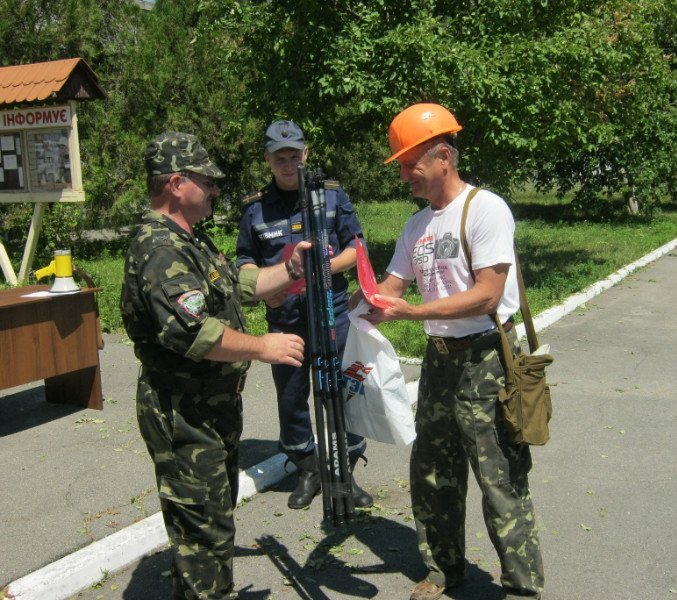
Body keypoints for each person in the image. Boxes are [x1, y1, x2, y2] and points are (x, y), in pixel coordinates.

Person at [352, 103, 545, 600]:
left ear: (443, 156)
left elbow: (486, 293)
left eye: (409, 163)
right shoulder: (417, 226)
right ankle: (442, 572)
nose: (403, 174)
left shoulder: (485, 208)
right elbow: (392, 287)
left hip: (486, 358)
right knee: (433, 473)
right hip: (440, 361)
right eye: (399, 164)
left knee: (500, 477)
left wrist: (412, 314)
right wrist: (353, 301)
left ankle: (523, 590)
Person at [120, 131, 311, 600]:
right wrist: (263, 346)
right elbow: (193, 333)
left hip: (208, 409)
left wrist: (289, 271)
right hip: (183, 411)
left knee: (211, 517)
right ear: (177, 183)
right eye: (208, 181)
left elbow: (237, 287)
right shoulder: (159, 247)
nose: (216, 190)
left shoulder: (190, 240)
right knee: (203, 529)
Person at [236, 119, 373, 510]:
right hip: (286, 321)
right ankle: (308, 469)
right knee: (293, 397)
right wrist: (269, 291)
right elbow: (245, 261)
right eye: (280, 157)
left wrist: (324, 271)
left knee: (343, 392)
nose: (288, 163)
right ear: (268, 159)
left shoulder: (330, 196)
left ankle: (345, 472)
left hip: (333, 314)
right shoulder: (256, 208)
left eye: (294, 155)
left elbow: (356, 247)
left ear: (305, 154)